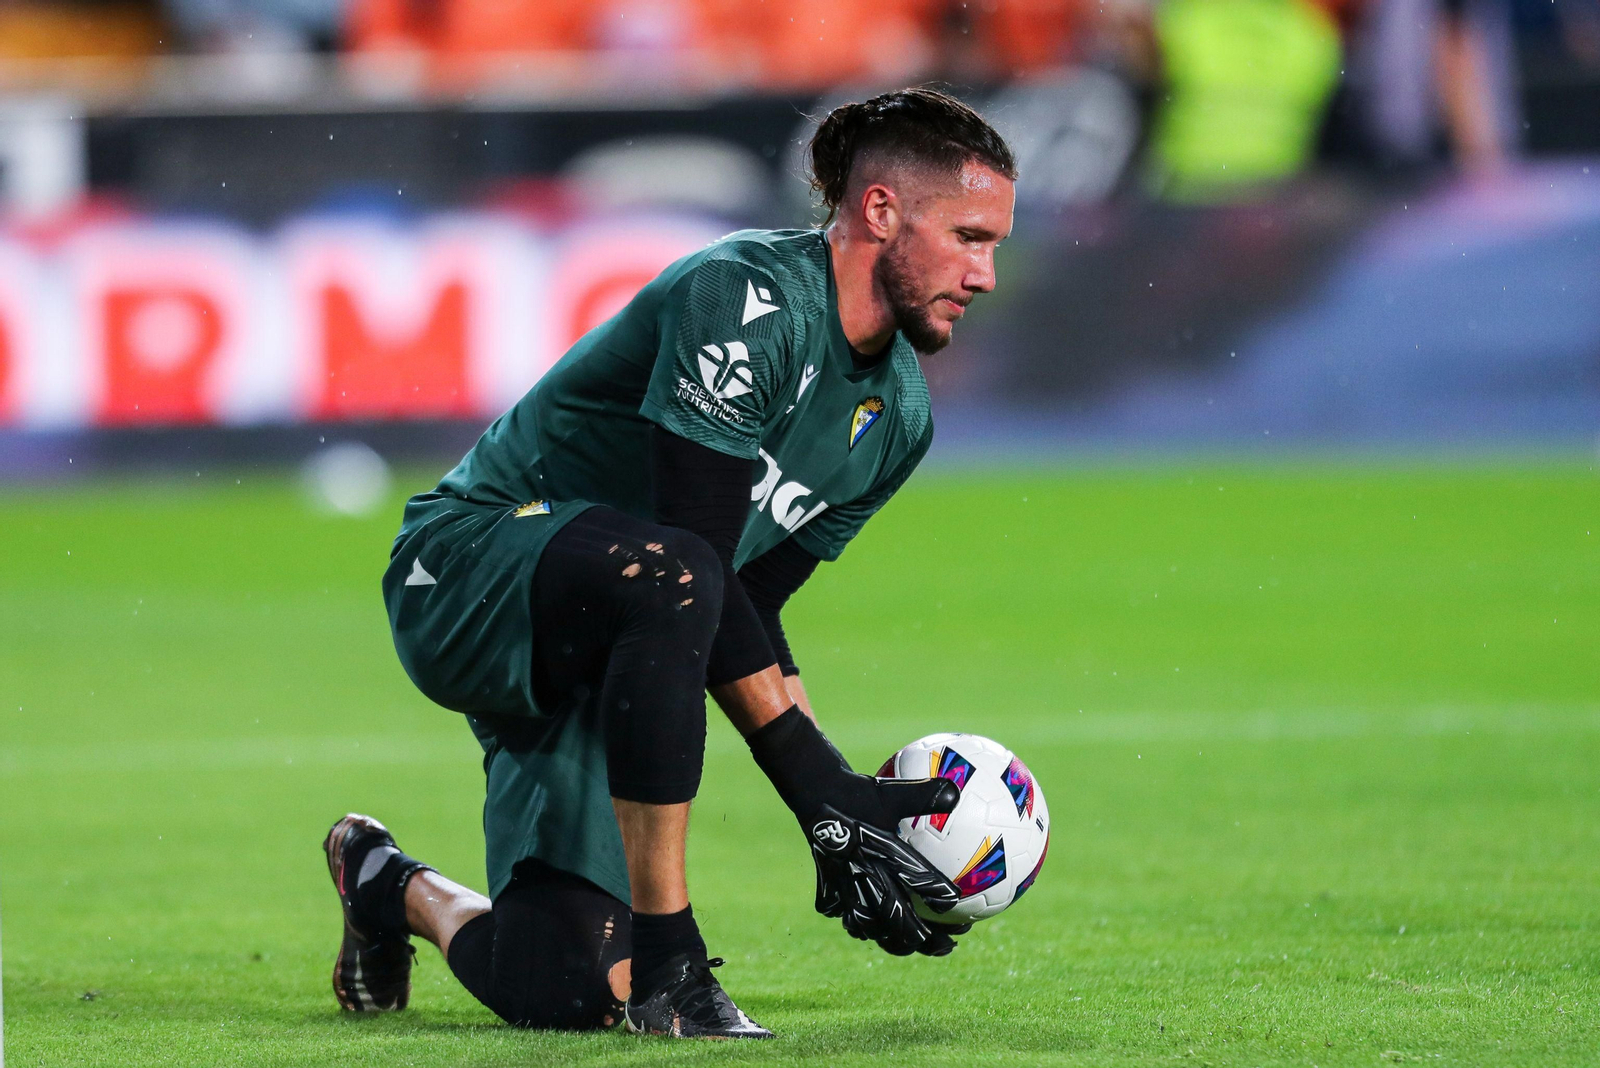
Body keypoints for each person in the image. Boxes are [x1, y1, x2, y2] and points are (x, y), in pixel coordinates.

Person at [323, 86, 1017, 1039]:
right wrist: (813, 785)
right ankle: (670, 964)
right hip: (469, 568)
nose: (985, 274)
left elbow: (749, 610)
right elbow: (699, 558)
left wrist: (841, 808)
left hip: (615, 641)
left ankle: (387, 883)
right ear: (881, 210)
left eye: (996, 246)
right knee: (680, 571)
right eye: (969, 237)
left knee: (566, 988)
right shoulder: (743, 296)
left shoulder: (898, 420)